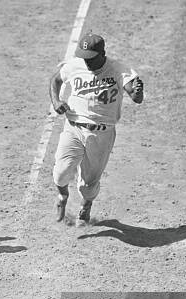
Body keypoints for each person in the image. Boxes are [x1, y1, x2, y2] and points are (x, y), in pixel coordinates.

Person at [49, 32, 144, 226]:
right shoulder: (75, 65)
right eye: (84, 58)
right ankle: (62, 196)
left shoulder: (118, 70)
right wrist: (56, 100)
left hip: (102, 134)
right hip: (73, 127)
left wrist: (137, 93)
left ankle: (86, 204)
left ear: (103, 53)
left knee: (89, 183)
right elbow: (55, 80)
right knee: (61, 172)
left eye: (91, 58)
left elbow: (136, 97)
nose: (87, 63)